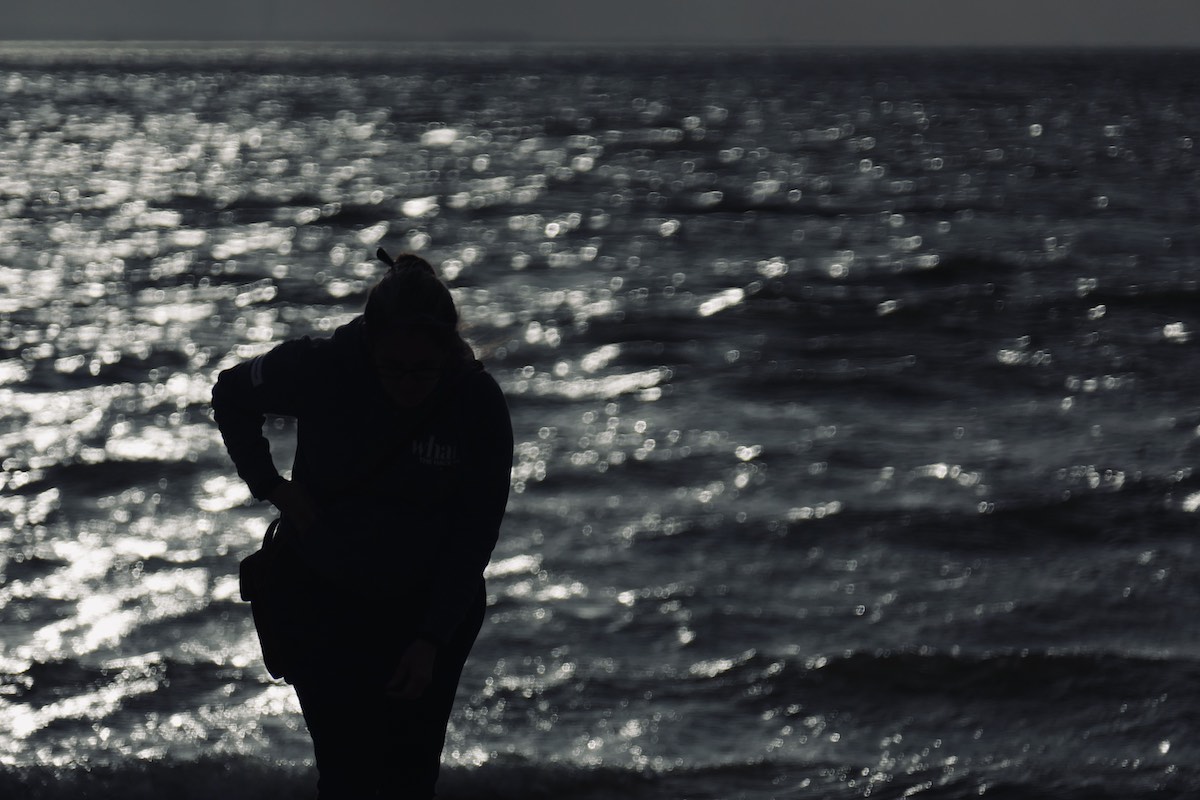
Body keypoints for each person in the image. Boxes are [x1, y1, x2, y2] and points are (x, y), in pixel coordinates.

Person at [212, 250, 513, 799]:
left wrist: (429, 640)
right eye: (393, 368)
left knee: (411, 776)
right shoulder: (322, 367)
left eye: (425, 370)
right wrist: (273, 486)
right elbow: (231, 393)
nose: (408, 383)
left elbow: (476, 531)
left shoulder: (476, 402)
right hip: (320, 597)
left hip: (428, 606)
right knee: (347, 773)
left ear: (448, 352)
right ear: (369, 345)